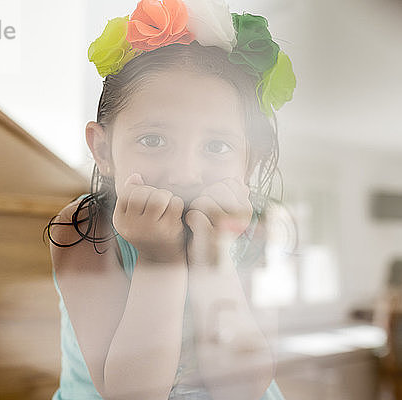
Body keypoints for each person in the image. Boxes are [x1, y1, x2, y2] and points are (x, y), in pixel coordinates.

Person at [45, 1, 296, 399]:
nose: (185, 174)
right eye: (154, 140)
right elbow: (131, 394)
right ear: (104, 150)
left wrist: (213, 254)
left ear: (250, 161)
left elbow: (244, 388)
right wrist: (159, 259)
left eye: (216, 145)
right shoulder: (84, 228)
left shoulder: (254, 229)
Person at [374, 257, 402, 400]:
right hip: (397, 350)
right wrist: (391, 354)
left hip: (400, 348)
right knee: (401, 389)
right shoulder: (395, 294)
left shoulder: (394, 292)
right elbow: (389, 324)